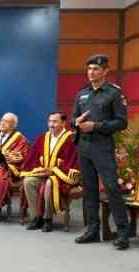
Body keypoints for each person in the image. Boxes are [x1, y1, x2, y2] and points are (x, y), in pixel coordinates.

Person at [72, 54, 130, 250]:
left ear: (106, 71)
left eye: (96, 69)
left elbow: (122, 122)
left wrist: (96, 125)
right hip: (84, 147)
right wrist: (77, 123)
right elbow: (73, 120)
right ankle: (92, 230)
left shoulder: (113, 93)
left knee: (112, 189)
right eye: (89, 69)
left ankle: (123, 232)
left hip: (103, 147)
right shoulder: (82, 94)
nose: (91, 72)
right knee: (89, 190)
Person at [21, 112, 79, 232]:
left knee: (50, 183)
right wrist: (40, 170)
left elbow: (73, 161)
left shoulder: (71, 139)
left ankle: (47, 219)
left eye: (55, 122)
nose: (51, 125)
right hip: (43, 174)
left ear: (63, 123)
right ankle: (36, 217)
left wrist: (53, 171)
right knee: (28, 181)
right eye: (50, 121)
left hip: (60, 177)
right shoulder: (43, 137)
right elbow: (33, 157)